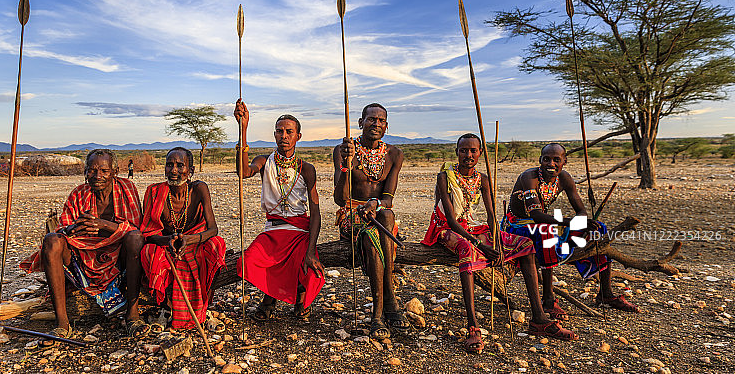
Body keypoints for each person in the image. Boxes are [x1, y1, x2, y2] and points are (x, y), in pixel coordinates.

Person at [422, 134, 575, 353]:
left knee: (524, 245)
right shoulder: (445, 176)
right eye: (463, 150)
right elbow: (451, 219)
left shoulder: (483, 178)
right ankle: (472, 326)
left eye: (473, 151)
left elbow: (492, 216)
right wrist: (481, 245)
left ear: (480, 153)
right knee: (467, 249)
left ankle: (539, 318)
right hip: (446, 228)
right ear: (457, 152)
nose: (468, 155)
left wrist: (499, 244)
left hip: (474, 226)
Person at [503, 143, 640, 321]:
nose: (550, 164)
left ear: (564, 161)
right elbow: (536, 216)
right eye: (546, 159)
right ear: (540, 161)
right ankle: (548, 299)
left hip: (547, 221)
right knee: (547, 232)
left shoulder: (564, 178)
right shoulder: (529, 178)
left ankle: (606, 293)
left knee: (598, 229)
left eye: (556, 160)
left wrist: (582, 222)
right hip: (517, 225)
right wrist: (571, 223)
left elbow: (581, 211)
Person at [20, 149, 146, 339]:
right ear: (85, 172)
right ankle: (62, 323)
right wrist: (75, 228)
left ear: (115, 171)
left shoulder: (127, 188)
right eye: (92, 171)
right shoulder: (79, 193)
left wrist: (103, 225)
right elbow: (62, 228)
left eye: (104, 171)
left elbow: (136, 228)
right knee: (51, 241)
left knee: (135, 238)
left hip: (118, 256)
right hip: (82, 256)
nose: (97, 176)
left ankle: (133, 315)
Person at [233, 100, 326, 321]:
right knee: (247, 262)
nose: (284, 135)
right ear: (274, 135)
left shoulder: (307, 169)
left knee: (305, 265)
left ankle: (297, 297)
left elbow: (315, 212)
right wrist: (243, 129)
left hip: (299, 231)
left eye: (289, 132)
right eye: (279, 131)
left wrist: (311, 250)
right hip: (273, 230)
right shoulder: (264, 161)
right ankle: (270, 297)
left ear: (298, 137)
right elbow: (244, 172)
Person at [333, 103, 406, 340]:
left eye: (381, 120)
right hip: (352, 213)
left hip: (379, 213)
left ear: (386, 126)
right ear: (360, 122)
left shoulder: (395, 154)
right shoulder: (343, 150)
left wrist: (375, 203)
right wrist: (347, 164)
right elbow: (340, 199)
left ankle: (380, 311)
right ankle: (385, 307)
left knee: (384, 217)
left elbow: (388, 198)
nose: (376, 124)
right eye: (371, 119)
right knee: (370, 234)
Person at [139, 147, 226, 330]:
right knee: (149, 252)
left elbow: (213, 229)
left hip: (195, 242)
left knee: (216, 246)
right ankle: (165, 307)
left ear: (191, 171)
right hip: (166, 245)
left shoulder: (199, 189)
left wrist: (188, 239)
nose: (174, 170)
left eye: (180, 165)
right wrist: (169, 241)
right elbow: (147, 233)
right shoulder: (154, 192)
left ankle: (203, 306)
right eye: (169, 165)